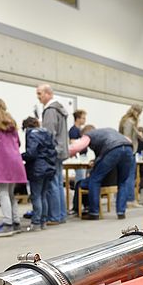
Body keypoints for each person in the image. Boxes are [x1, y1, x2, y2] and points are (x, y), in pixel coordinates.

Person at [68, 126, 133, 220]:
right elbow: (128, 140)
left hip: (113, 150)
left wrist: (66, 153)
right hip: (128, 148)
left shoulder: (88, 135)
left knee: (94, 180)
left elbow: (77, 147)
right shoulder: (110, 130)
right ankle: (121, 212)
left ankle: (94, 213)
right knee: (122, 182)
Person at [0, 99, 27, 237]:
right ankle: (16, 222)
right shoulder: (12, 122)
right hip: (15, 160)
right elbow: (19, 142)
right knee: (10, 193)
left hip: (2, 160)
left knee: (2, 193)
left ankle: (7, 224)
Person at [36, 84, 68, 225]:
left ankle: (54, 217)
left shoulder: (50, 110)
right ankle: (60, 215)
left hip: (53, 152)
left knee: (52, 185)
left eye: (40, 93)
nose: (38, 96)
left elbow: (48, 134)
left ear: (48, 94)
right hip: (61, 151)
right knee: (59, 184)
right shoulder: (60, 109)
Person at [21, 117, 57, 231]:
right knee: (43, 195)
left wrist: (20, 156)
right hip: (49, 167)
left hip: (37, 168)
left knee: (36, 196)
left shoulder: (32, 134)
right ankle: (43, 222)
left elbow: (31, 153)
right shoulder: (47, 133)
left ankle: (36, 222)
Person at [119, 104, 143, 208]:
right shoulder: (130, 122)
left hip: (127, 150)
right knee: (129, 176)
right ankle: (130, 200)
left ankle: (127, 200)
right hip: (129, 151)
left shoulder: (125, 120)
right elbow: (127, 137)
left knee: (126, 176)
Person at [68, 109, 88, 183]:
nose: (85, 120)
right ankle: (77, 192)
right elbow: (73, 144)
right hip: (79, 157)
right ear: (77, 119)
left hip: (83, 156)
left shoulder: (81, 130)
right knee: (80, 177)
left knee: (83, 177)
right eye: (83, 118)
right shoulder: (73, 130)